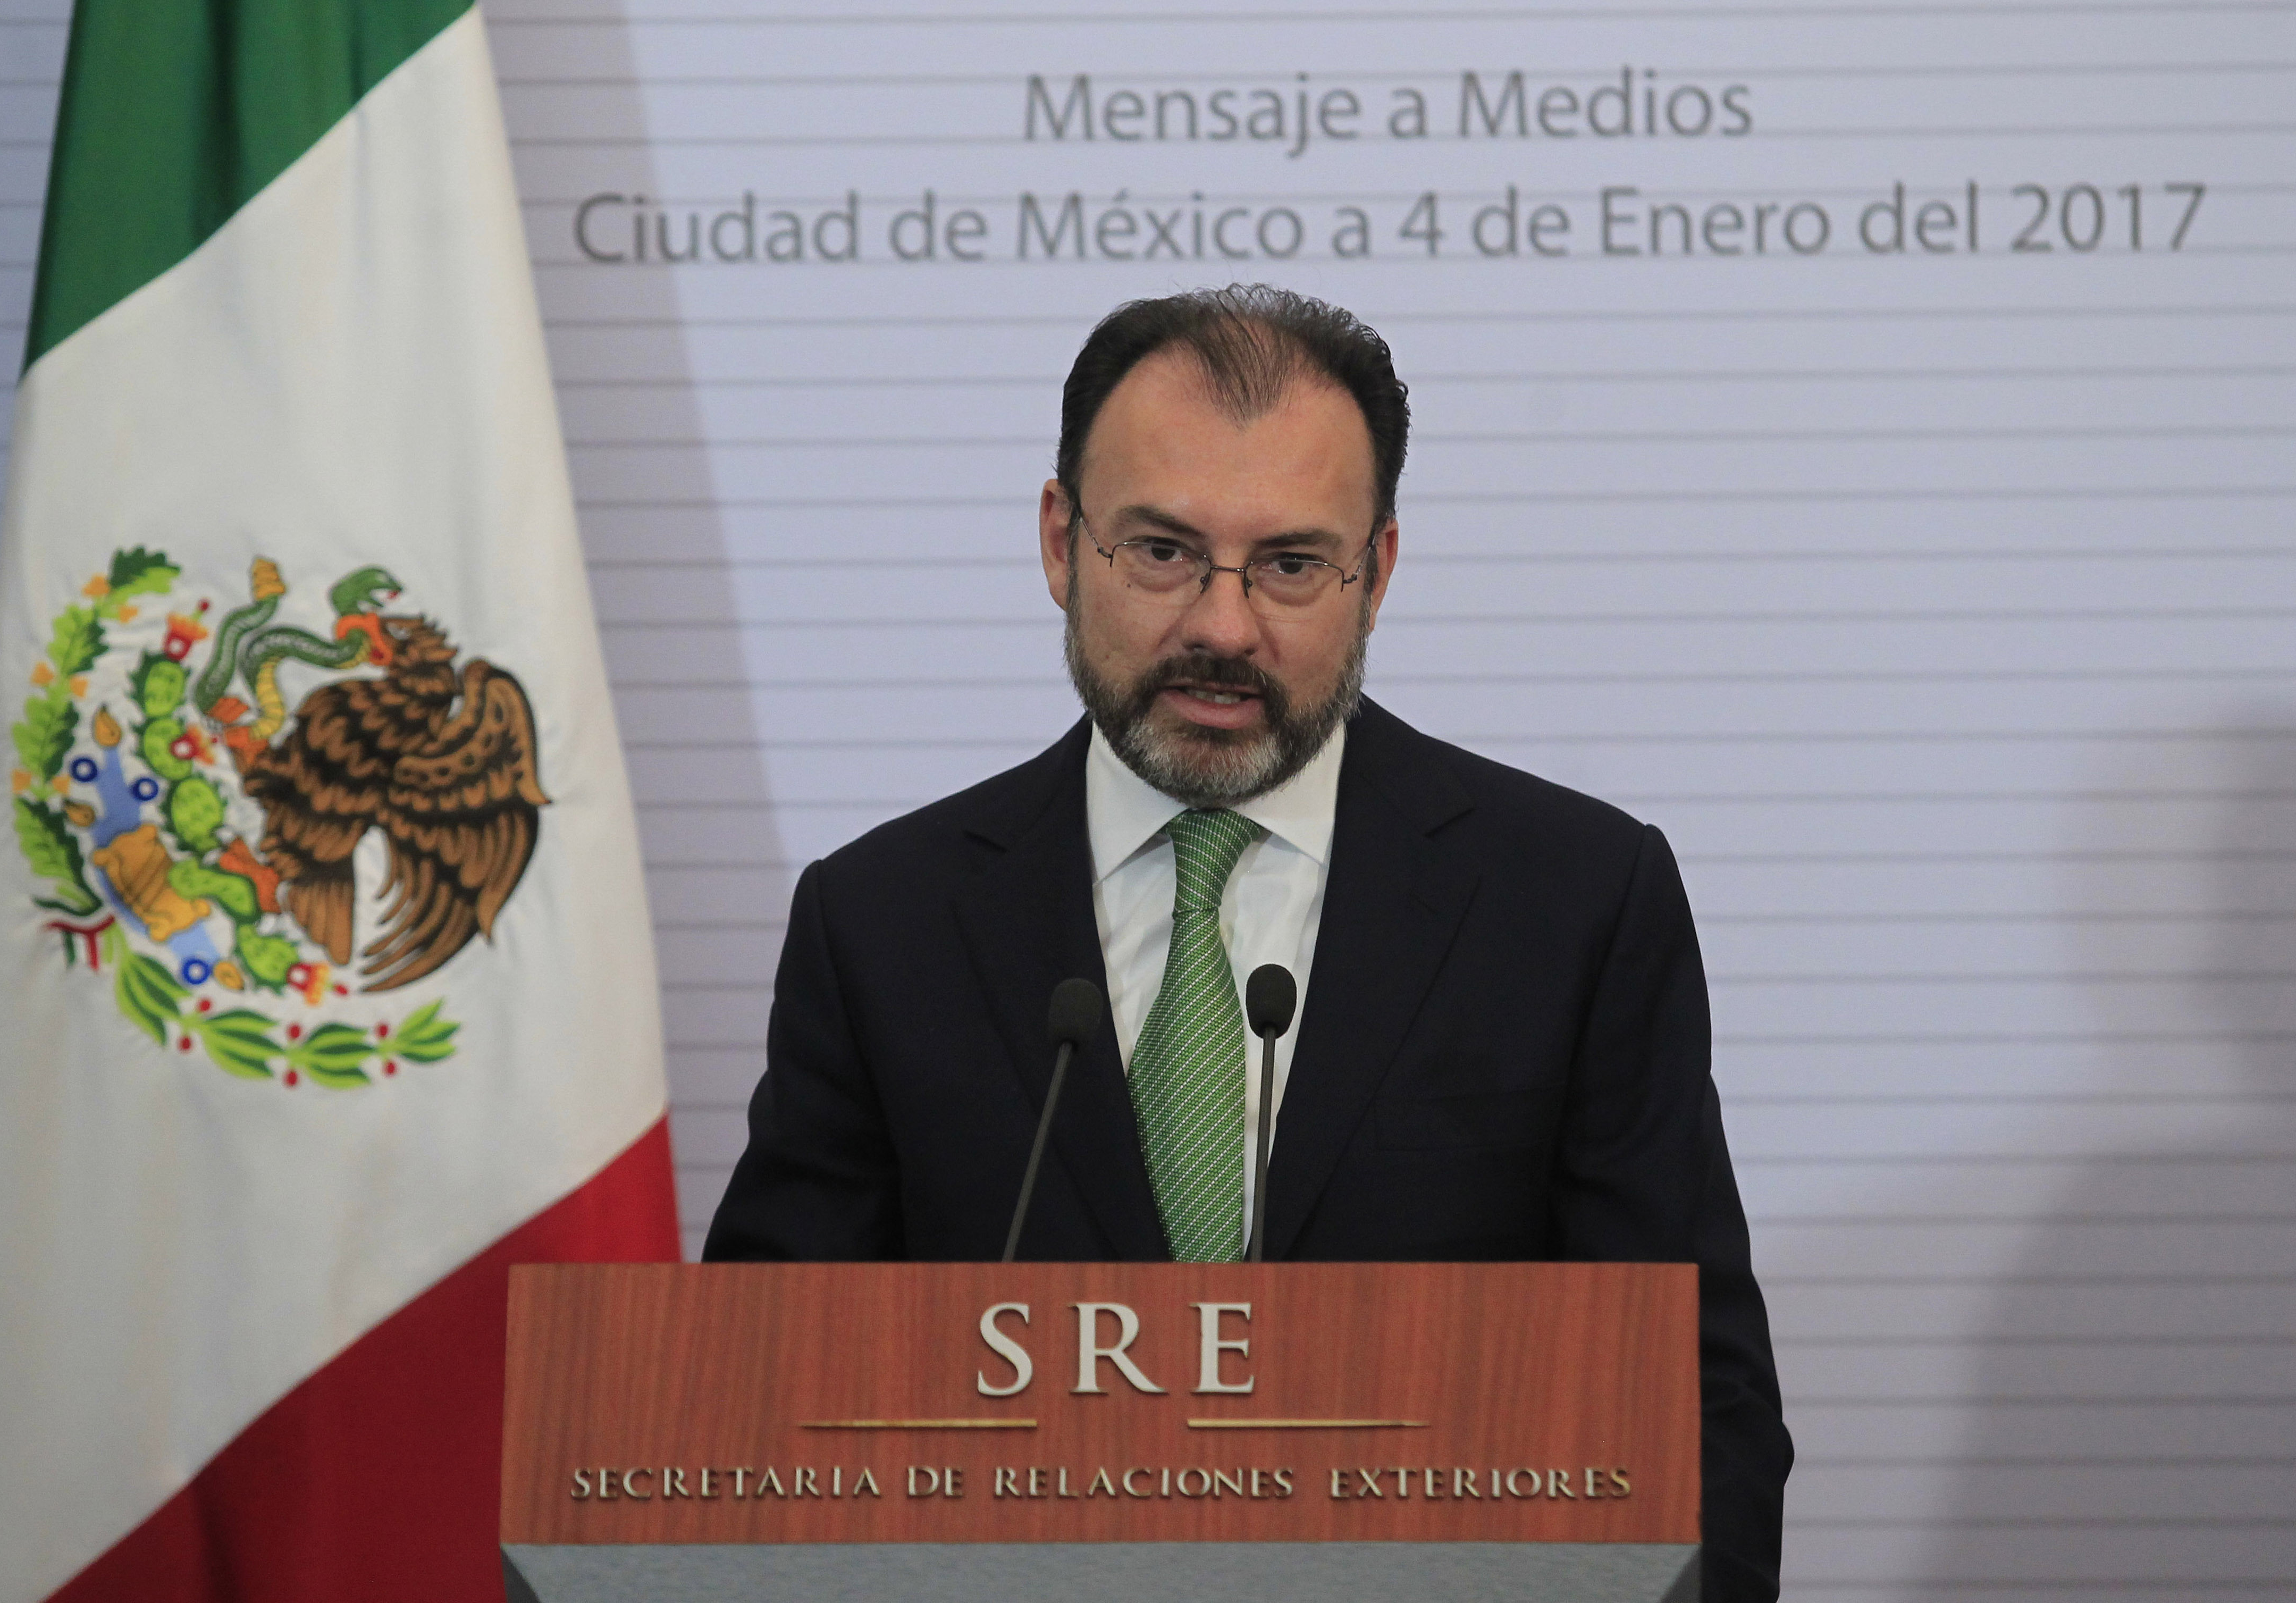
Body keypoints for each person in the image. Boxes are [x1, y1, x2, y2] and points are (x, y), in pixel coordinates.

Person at [705, 284, 1793, 1598]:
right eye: (1162, 550)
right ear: (1060, 542)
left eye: (1288, 564)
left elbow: (1696, 1403)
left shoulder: (1569, 901)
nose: (1221, 627)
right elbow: (754, 1405)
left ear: (1375, 573)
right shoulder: (883, 923)